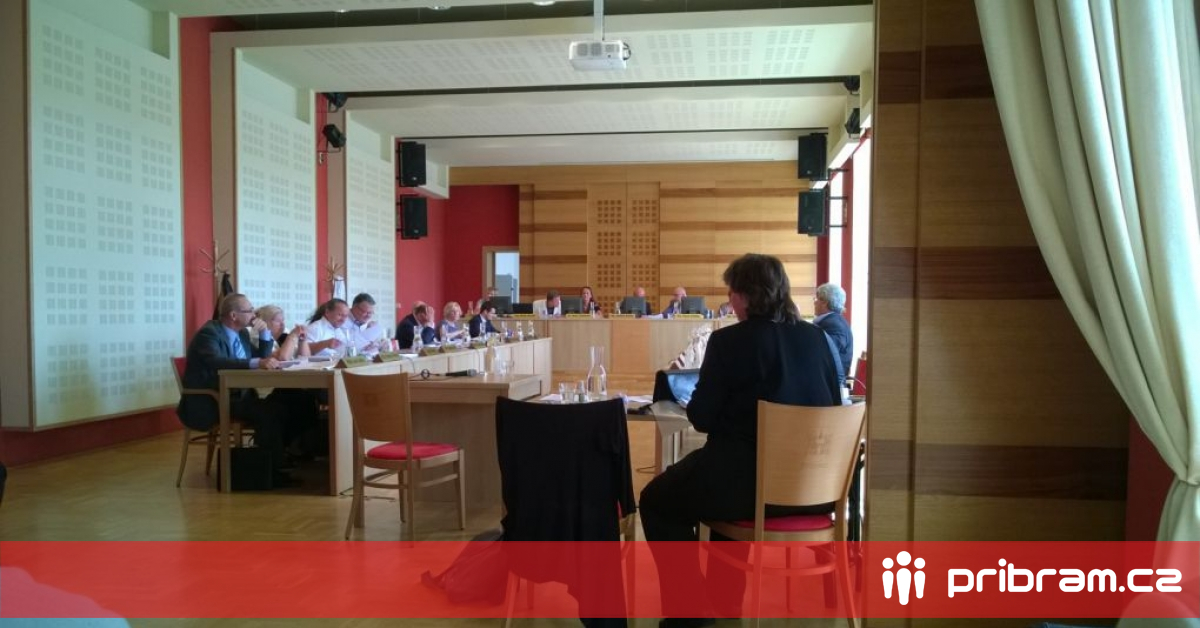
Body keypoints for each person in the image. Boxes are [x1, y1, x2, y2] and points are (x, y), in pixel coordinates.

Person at [639, 254, 841, 626]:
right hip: (814, 490)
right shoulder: (817, 339)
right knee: (722, 478)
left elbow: (701, 418)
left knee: (657, 500)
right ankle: (724, 600)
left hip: (746, 489)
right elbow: (834, 406)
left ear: (745, 296)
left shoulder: (728, 341)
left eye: (732, 292)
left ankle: (690, 611)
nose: (730, 300)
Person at [177, 294, 293, 485]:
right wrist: (257, 362)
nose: (254, 315)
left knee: (283, 405)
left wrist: (265, 334)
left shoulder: (242, 334)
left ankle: (272, 462)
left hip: (238, 395)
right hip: (214, 400)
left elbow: (261, 357)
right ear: (233, 315)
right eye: (250, 311)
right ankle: (271, 472)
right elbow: (217, 362)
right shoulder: (209, 334)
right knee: (268, 412)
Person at [813, 283, 853, 387]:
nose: (814, 302)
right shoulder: (834, 322)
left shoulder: (834, 325)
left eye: (817, 299)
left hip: (830, 387)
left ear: (825, 302)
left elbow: (822, 357)